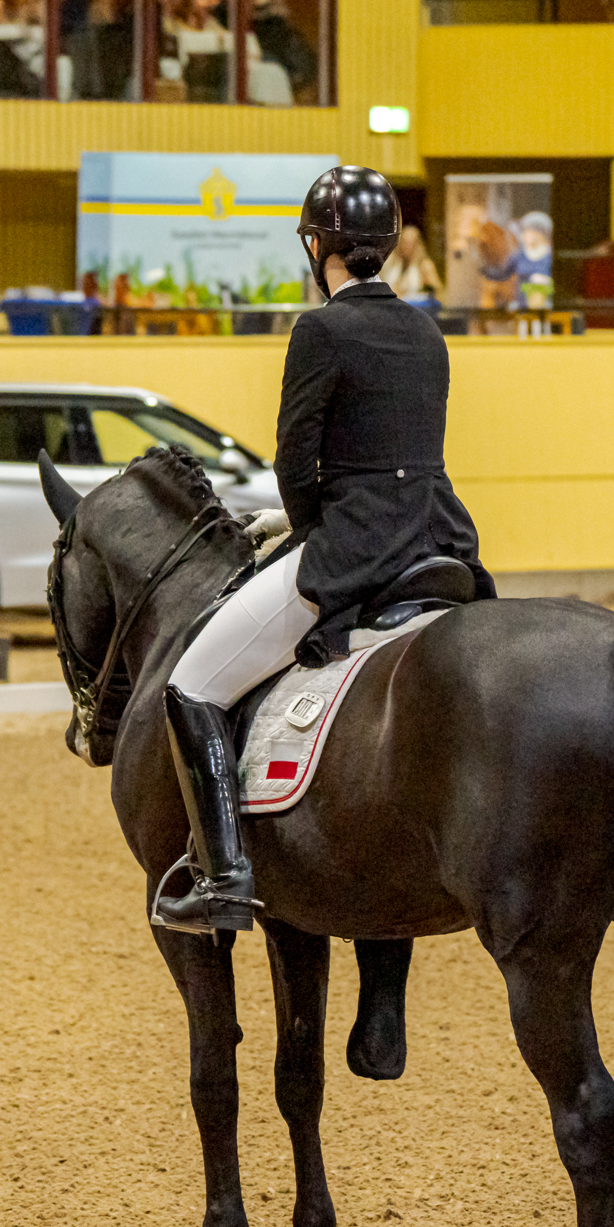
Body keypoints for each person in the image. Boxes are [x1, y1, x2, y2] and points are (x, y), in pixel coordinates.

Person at [153, 166, 496, 933]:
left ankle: (225, 879)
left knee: (191, 687)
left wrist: (306, 529)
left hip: (355, 549)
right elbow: (399, 455)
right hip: (439, 540)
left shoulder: (320, 330)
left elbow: (294, 458)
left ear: (321, 248)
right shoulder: (427, 328)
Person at [378, 224, 442, 305]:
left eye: (411, 242)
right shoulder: (391, 263)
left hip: (414, 309)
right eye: (404, 242)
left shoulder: (424, 265)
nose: (407, 246)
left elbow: (436, 291)